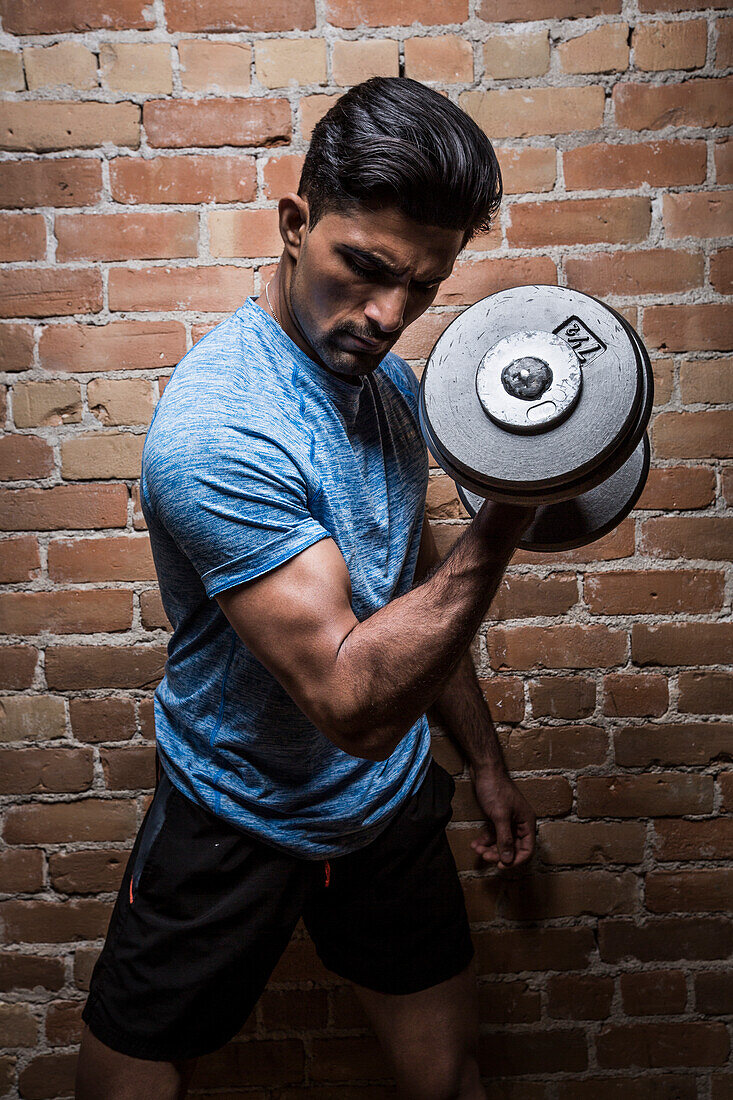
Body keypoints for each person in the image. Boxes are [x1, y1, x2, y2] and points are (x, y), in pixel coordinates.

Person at [75, 76, 537, 1100]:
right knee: (126, 1083)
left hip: (384, 804)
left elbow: (409, 579)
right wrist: (511, 510)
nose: (387, 314)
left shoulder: (388, 386)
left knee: (449, 1076)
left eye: (419, 287)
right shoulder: (218, 433)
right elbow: (350, 704)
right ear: (294, 223)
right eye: (364, 269)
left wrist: (486, 761)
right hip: (234, 804)